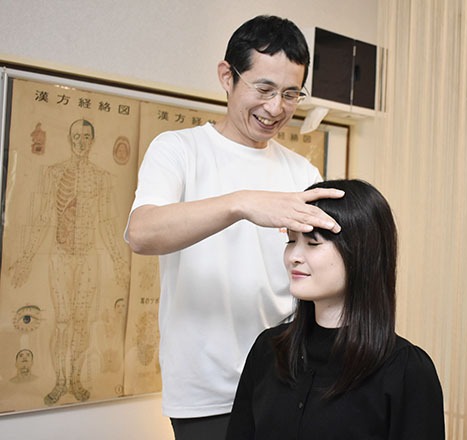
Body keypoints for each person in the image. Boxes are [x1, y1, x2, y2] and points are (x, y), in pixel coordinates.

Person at [124, 15, 343, 440]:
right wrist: (241, 204)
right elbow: (141, 233)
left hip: (288, 380)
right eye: (264, 89)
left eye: (291, 94)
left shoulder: (302, 172)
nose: (276, 108)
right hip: (206, 393)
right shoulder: (179, 150)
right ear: (227, 76)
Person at [226, 179, 445, 440]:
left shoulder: (406, 371)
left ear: (360, 254)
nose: (294, 256)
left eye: (313, 243)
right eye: (291, 241)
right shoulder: (268, 350)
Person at [10, 118, 129, 405]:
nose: (80, 142)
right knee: (63, 321)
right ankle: (60, 380)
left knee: (81, 321)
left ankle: (75, 379)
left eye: (86, 137)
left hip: (88, 256)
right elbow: (41, 219)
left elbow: (107, 222)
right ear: (69, 139)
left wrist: (118, 260)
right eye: (76, 136)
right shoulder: (54, 173)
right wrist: (25, 258)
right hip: (61, 257)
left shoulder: (100, 178)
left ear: (92, 141)